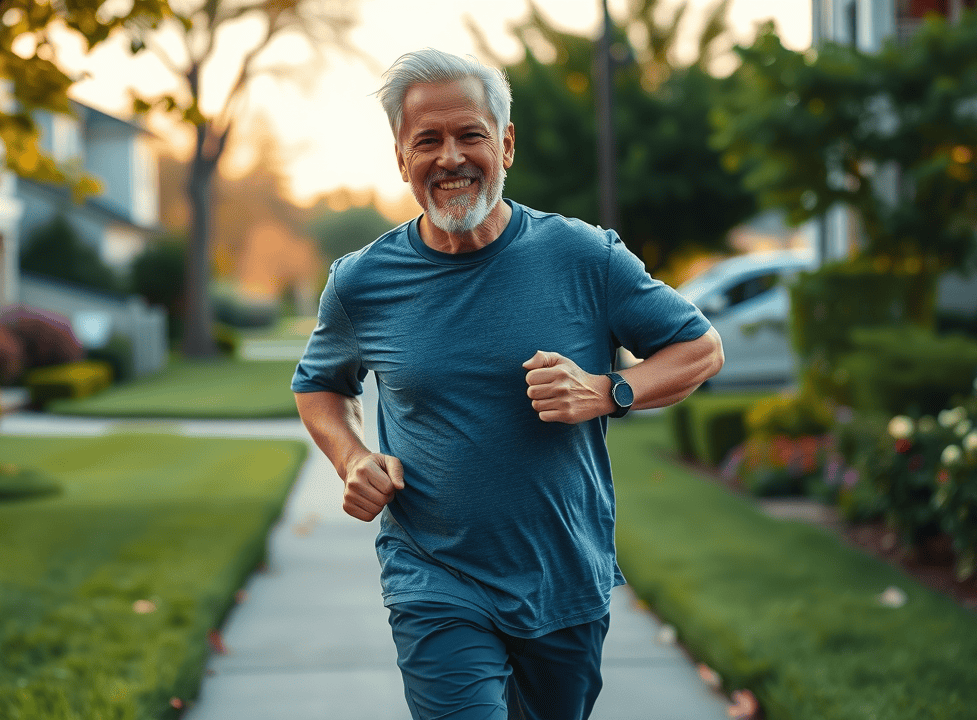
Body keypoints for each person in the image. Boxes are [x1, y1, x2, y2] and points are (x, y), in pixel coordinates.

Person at [292, 48, 724, 720]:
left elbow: (700, 347)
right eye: (427, 140)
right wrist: (353, 459)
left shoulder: (584, 256)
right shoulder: (362, 283)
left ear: (507, 144)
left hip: (562, 575)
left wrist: (609, 390)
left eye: (471, 135)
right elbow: (319, 386)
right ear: (400, 157)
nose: (451, 158)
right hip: (432, 575)